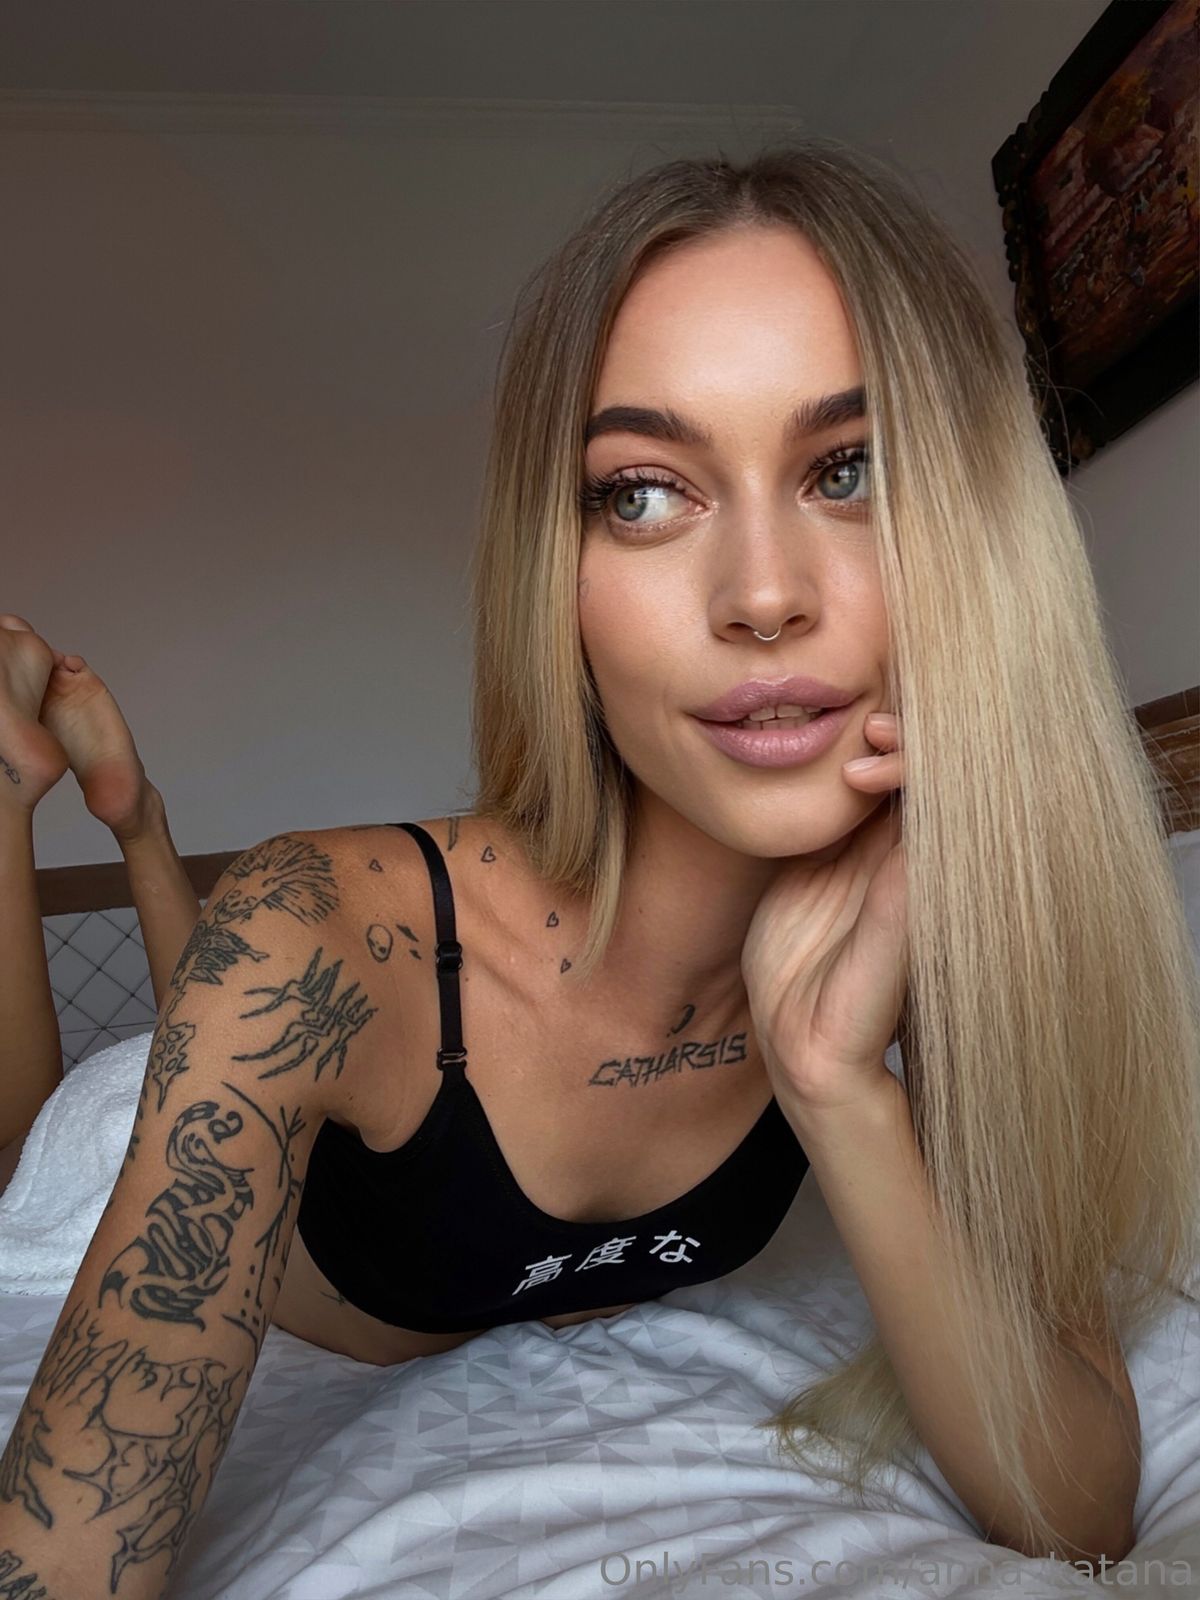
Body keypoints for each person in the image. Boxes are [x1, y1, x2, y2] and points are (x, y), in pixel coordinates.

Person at [0, 139, 1196, 1599]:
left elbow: (1076, 1514)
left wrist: (836, 1084)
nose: (764, 595)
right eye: (642, 493)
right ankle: (68, 807)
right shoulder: (317, 934)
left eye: (850, 471)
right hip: (159, 1129)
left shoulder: (912, 929)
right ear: (552, 576)